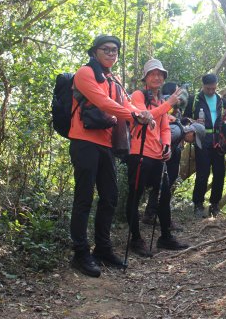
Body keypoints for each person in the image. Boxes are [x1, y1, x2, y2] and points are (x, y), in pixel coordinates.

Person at [68, 35, 154, 277]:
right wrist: (136, 116)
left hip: (105, 144)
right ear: (95, 52)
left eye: (115, 50)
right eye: (106, 49)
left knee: (110, 197)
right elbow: (103, 103)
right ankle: (80, 253)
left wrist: (143, 114)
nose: (111, 53)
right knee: (84, 197)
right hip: (83, 141)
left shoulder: (113, 78)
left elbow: (127, 104)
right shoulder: (85, 73)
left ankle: (103, 249)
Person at [126, 59, 189, 257]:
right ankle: (135, 239)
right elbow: (144, 116)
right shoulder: (138, 95)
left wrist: (167, 145)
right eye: (153, 73)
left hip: (157, 155)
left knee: (163, 196)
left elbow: (164, 128)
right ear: (145, 77)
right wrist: (169, 104)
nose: (157, 77)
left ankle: (165, 237)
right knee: (135, 197)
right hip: (139, 154)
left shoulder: (161, 102)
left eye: (160, 74)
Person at [141, 82, 190, 230]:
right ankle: (152, 215)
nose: (180, 95)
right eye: (177, 91)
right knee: (162, 184)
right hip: (162, 149)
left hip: (173, 148)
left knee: (166, 183)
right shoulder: (165, 103)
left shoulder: (176, 107)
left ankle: (157, 215)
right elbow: (159, 121)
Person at [185, 73, 226, 218]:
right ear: (203, 86)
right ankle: (198, 204)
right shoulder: (195, 99)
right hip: (202, 139)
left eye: (213, 88)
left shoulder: (220, 99)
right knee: (202, 173)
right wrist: (193, 122)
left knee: (219, 173)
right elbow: (184, 118)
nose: (211, 91)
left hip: (218, 139)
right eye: (208, 88)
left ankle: (214, 204)